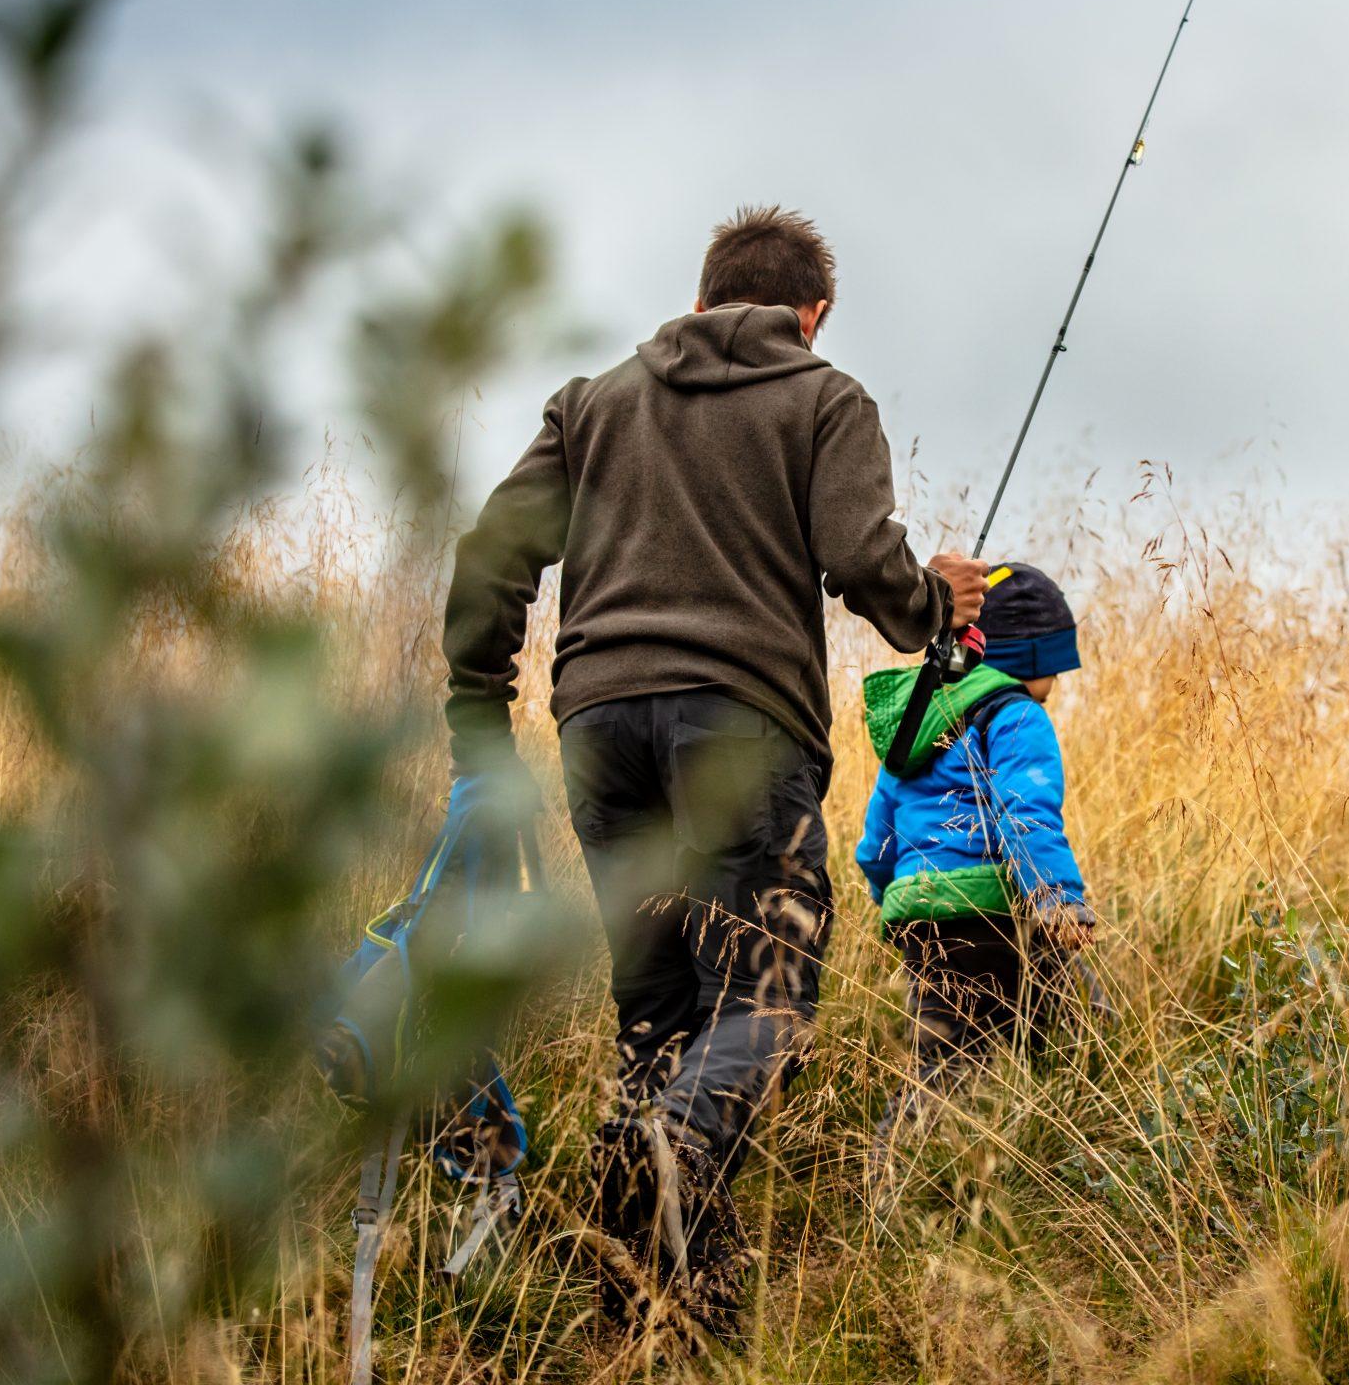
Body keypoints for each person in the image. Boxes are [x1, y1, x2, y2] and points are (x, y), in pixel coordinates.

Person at [438, 204, 988, 1338]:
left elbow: (493, 551)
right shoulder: (825, 397)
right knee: (767, 1001)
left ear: (701, 299)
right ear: (812, 315)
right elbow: (862, 564)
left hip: (596, 730)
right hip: (739, 733)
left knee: (658, 1016)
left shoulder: (590, 403)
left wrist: (477, 716)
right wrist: (935, 599)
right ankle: (663, 1161)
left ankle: (658, 1309)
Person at [853, 560, 1096, 1164]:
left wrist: (900, 902)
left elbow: (874, 844)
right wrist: (1056, 897)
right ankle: (1071, 1144)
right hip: (994, 913)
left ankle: (897, 1180)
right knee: (1075, 1025)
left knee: (941, 1053)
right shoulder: (1017, 715)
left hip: (923, 919)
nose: (1054, 687)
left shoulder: (917, 730)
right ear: (1027, 661)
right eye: (1053, 671)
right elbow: (1026, 812)